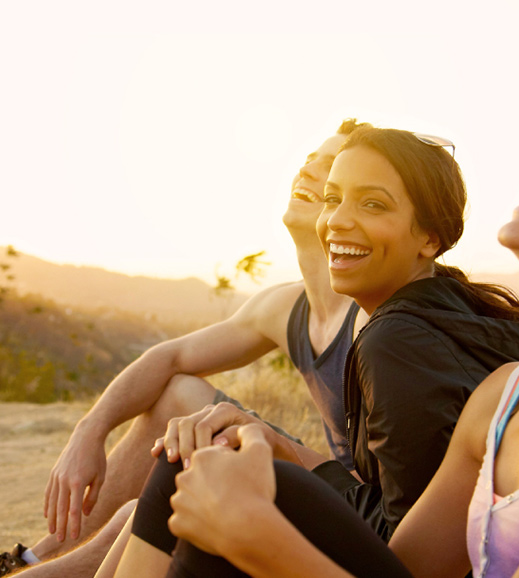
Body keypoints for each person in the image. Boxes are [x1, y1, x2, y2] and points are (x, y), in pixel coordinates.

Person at [114, 43, 519, 577]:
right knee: (202, 466)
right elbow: (400, 570)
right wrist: (274, 457)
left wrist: (257, 535)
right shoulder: (506, 396)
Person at [109, 125, 519, 576]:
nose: (337, 221)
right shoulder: (454, 307)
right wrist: (275, 444)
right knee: (210, 466)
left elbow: (410, 548)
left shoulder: (396, 342)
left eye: (372, 204)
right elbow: (410, 500)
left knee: (189, 467)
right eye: (333, 199)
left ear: (429, 238)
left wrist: (262, 519)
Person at [0, 119, 373, 577]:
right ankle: (31, 559)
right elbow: (168, 357)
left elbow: (390, 502)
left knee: (141, 511)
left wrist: (265, 443)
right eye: (309, 159)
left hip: (357, 517)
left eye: (330, 164)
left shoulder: (373, 318)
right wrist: (89, 431)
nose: (309, 170)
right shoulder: (287, 305)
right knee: (179, 393)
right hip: (325, 485)